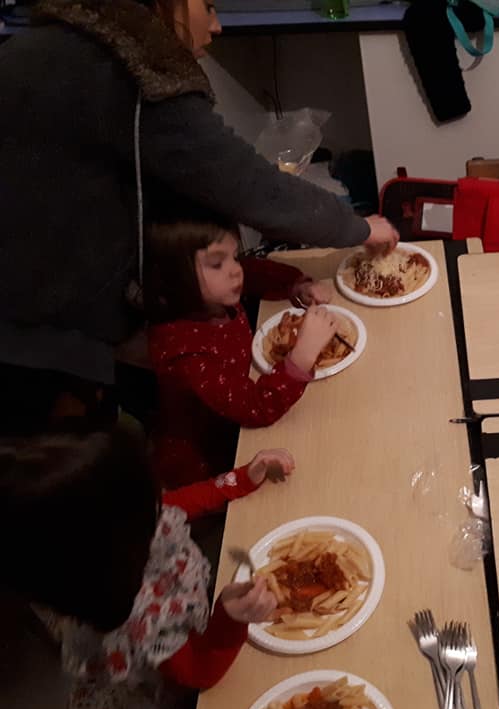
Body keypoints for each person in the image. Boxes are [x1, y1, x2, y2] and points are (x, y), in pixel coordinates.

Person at [0, 0, 398, 433]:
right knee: (67, 456)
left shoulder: (56, 43)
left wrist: (291, 280)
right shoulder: (130, 67)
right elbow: (249, 185)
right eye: (206, 5)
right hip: (37, 332)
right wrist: (358, 226)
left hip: (41, 313)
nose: (217, 24)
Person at [0, 428, 294, 709]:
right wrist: (229, 621)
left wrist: (240, 479)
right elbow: (198, 671)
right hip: (164, 694)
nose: (160, 507)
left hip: (185, 634)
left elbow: (181, 502)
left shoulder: (120, 519)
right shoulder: (133, 620)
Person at [145, 210, 336, 487]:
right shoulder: (185, 354)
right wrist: (302, 357)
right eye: (216, 264)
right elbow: (256, 407)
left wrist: (295, 284)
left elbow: (253, 271)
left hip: (241, 409)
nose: (235, 270)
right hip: (213, 457)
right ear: (177, 278)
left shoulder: (213, 295)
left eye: (233, 257)